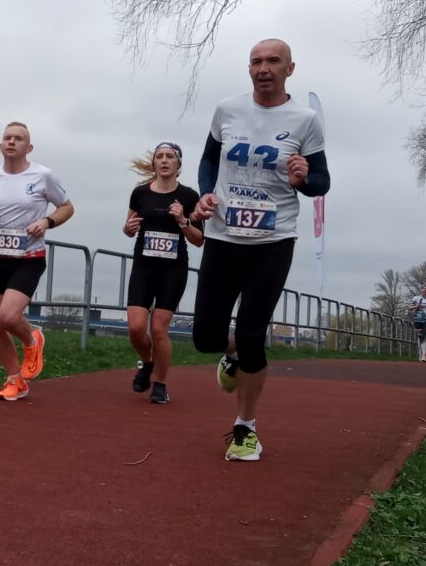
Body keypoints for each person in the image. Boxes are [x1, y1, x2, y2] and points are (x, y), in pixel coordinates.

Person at [190, 38, 330, 461]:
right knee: (206, 337)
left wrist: (303, 179)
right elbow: (209, 161)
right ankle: (231, 355)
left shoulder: (305, 120)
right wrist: (205, 192)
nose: (263, 68)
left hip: (273, 240)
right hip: (223, 236)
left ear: (290, 68)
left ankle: (245, 428)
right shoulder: (227, 109)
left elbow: (321, 182)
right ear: (249, 69)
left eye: (273, 61)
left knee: (253, 334)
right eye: (256, 61)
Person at [0, 122, 74, 401]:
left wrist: (46, 222)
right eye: (7, 138)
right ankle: (15, 380)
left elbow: (67, 207)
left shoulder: (43, 176)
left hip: (28, 258)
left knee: (8, 316)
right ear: (0, 146)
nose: (12, 141)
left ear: (29, 147)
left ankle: (32, 339)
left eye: (18, 138)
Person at [122, 141, 204, 404]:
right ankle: (148, 362)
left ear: (179, 164)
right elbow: (128, 227)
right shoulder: (140, 193)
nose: (165, 160)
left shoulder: (189, 196)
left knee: (158, 329)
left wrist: (183, 221)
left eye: (170, 156)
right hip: (144, 267)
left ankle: (160, 384)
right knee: (136, 328)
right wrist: (128, 229)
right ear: (154, 163)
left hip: (172, 269)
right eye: (160, 156)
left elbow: (199, 240)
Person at [407, 286, 426, 362]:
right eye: (423, 289)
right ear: (421, 291)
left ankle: (424, 355)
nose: (424, 290)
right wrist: (416, 306)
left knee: (424, 334)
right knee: (420, 336)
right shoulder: (416, 298)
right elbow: (409, 307)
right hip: (418, 319)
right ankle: (421, 353)